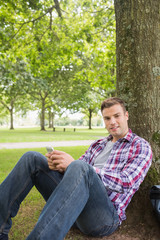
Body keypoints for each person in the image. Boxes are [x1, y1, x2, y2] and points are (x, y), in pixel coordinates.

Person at [0, 97, 152, 240]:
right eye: (107, 118)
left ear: (126, 116)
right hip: (73, 208)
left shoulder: (140, 146)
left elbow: (126, 183)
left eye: (117, 116)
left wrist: (81, 167)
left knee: (81, 167)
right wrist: (60, 166)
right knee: (31, 158)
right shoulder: (98, 144)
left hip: (104, 218)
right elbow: (76, 173)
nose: (112, 122)